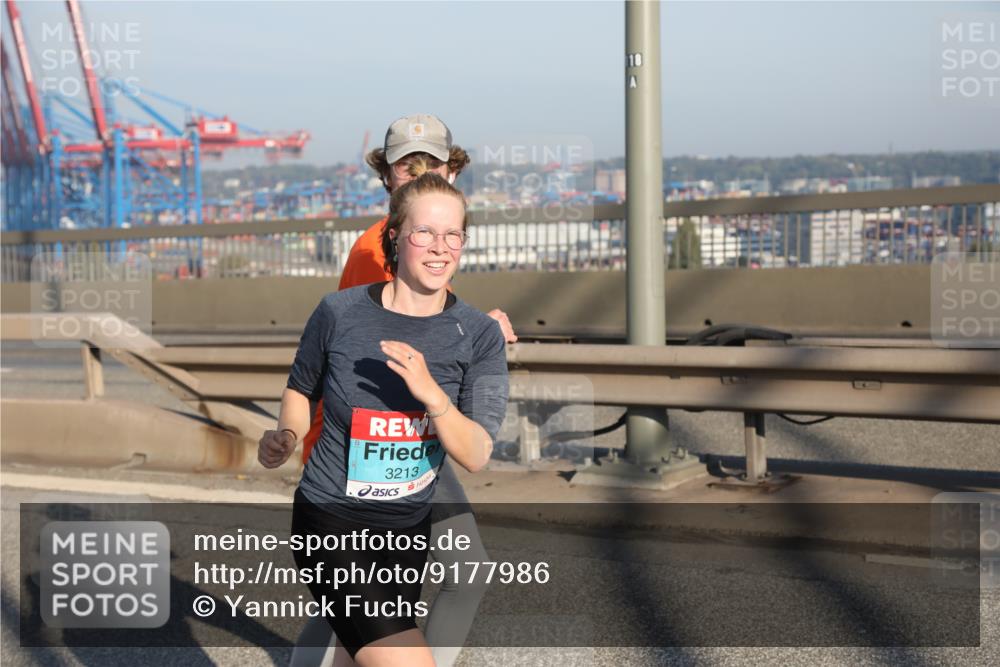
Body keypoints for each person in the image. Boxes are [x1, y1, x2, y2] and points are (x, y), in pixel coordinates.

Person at [260, 168, 509, 666]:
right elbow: (300, 389)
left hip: (406, 529)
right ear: (395, 237)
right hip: (330, 522)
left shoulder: (479, 334)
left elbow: (477, 453)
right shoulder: (339, 312)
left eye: (453, 234)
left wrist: (433, 397)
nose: (440, 247)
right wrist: (286, 434)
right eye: (424, 232)